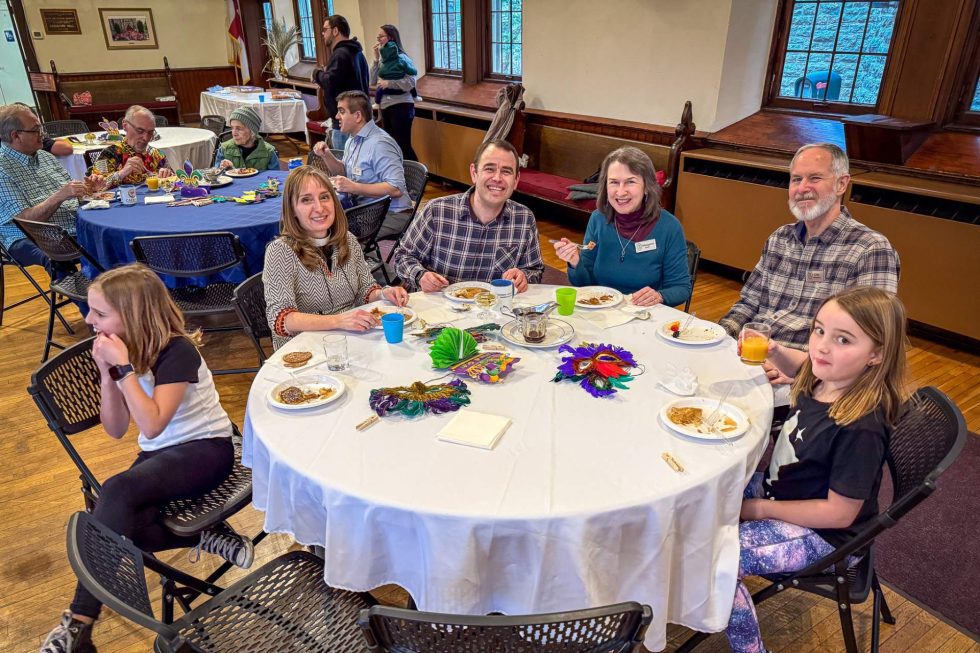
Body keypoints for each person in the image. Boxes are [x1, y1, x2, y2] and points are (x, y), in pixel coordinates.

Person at [39, 264, 253, 653]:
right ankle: (203, 534)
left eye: (100, 313)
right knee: (111, 528)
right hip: (160, 456)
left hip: (207, 449)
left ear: (134, 315)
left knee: (113, 496)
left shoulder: (177, 351)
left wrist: (122, 370)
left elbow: (152, 424)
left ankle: (78, 622)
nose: (89, 320)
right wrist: (107, 373)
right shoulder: (121, 353)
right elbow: (117, 428)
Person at [724, 286, 910, 652]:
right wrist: (776, 350)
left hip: (824, 535)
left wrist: (757, 509)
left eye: (843, 339)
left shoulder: (861, 426)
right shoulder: (828, 377)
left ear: (876, 355)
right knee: (708, 494)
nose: (822, 346)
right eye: (819, 330)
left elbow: (839, 513)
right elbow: (804, 365)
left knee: (716, 560)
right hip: (786, 492)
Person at [719, 143, 900, 354]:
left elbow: (872, 339)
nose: (802, 188)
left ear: (842, 184)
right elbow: (748, 304)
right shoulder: (780, 238)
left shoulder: (870, 249)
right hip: (752, 355)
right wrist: (719, 337)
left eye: (815, 178)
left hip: (809, 374)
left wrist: (797, 368)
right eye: (796, 179)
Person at [263, 165, 409, 350]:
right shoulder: (281, 251)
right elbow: (281, 319)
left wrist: (383, 293)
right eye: (306, 200)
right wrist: (339, 321)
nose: (319, 207)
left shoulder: (346, 240)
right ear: (292, 209)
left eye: (324, 197)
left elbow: (365, 289)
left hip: (353, 339)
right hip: (306, 350)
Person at [394, 139, 544, 293]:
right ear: (474, 173)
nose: (497, 178)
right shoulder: (437, 211)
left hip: (493, 310)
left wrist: (524, 277)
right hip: (439, 307)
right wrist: (420, 276)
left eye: (506, 171)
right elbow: (403, 256)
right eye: (489, 169)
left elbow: (534, 269)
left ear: (516, 180)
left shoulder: (524, 219)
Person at [552, 146, 691, 307]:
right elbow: (584, 285)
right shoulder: (598, 219)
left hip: (644, 316)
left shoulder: (669, 227)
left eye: (630, 182)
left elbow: (681, 288)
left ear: (646, 186)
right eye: (614, 182)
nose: (620, 191)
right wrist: (575, 261)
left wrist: (659, 296)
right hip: (601, 312)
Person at [0, 104, 101, 280]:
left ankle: (114, 295)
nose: (43, 133)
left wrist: (89, 190)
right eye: (35, 129)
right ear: (16, 136)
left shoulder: (45, 156)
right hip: (28, 236)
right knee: (62, 255)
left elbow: (72, 195)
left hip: (68, 227)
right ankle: (90, 304)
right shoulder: (2, 168)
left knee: (110, 234)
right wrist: (61, 195)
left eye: (40, 127)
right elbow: (25, 221)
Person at [311, 90, 411, 241]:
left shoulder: (380, 143)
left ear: (357, 116)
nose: (337, 116)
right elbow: (344, 172)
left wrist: (354, 187)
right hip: (365, 210)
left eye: (341, 112)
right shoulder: (353, 139)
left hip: (391, 214)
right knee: (321, 225)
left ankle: (352, 262)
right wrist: (326, 155)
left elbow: (396, 189)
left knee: (333, 234)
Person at [314, 14, 370, 152]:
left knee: (345, 166)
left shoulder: (340, 54)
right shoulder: (358, 53)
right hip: (360, 120)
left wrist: (316, 73)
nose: (322, 34)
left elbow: (329, 82)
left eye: (325, 29)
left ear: (335, 31)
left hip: (344, 123)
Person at [90, 105, 172, 188]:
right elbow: (96, 186)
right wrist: (122, 173)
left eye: (150, 132)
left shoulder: (157, 155)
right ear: (125, 126)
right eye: (140, 131)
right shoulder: (108, 154)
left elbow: (174, 182)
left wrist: (167, 174)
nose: (146, 138)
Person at [371, 24, 418, 161]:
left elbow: (411, 82)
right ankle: (398, 178)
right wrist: (375, 60)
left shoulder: (402, 58)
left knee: (403, 145)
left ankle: (418, 178)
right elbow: (372, 81)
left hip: (401, 105)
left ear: (391, 38)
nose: (378, 40)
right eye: (377, 37)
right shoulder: (383, 60)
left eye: (381, 37)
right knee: (391, 146)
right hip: (386, 106)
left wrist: (390, 83)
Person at [213, 106, 280, 171]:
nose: (234, 133)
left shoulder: (269, 152)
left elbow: (275, 179)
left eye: (239, 129)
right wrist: (225, 169)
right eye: (232, 128)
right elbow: (217, 178)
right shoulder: (224, 149)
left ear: (252, 132)